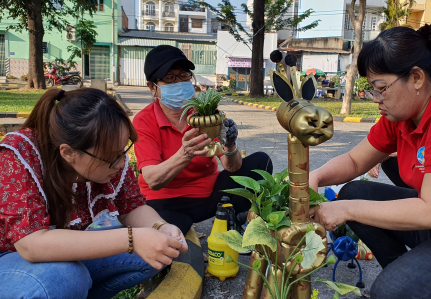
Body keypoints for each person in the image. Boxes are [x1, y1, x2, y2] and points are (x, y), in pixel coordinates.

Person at [308, 24, 431, 298]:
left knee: (388, 291)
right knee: (355, 191)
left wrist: (346, 210)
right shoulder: (401, 116)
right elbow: (354, 161)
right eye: (373, 90)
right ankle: (411, 278)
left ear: (417, 78)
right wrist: (315, 178)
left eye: (381, 88)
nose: (376, 99)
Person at [0, 88, 188, 299]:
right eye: (112, 157)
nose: (122, 163)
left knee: (155, 253)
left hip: (60, 248)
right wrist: (132, 238)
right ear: (68, 153)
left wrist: (160, 227)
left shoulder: (109, 155)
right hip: (10, 256)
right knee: (64, 278)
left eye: (124, 150)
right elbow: (30, 245)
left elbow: (132, 206)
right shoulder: (19, 154)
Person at [133, 45, 273, 235]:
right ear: (152, 87)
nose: (179, 82)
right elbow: (153, 180)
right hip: (165, 203)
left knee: (260, 163)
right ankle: (183, 224)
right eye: (169, 78)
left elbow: (232, 167)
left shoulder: (205, 115)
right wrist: (185, 153)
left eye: (184, 76)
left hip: (209, 197)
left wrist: (229, 145)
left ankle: (235, 217)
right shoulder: (144, 121)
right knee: (167, 239)